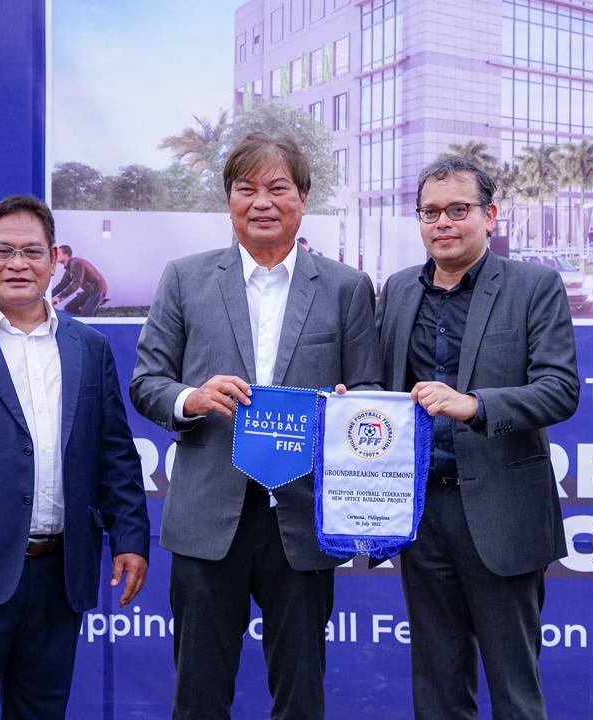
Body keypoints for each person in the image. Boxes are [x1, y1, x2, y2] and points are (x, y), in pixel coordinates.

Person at [130, 133, 382, 720]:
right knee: (198, 691)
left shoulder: (345, 287)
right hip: (206, 519)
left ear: (304, 197)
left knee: (300, 693)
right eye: (247, 189)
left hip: (301, 516)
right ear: (229, 200)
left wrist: (346, 409)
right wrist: (193, 397)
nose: (262, 202)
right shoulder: (185, 278)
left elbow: (369, 389)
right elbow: (147, 382)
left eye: (278, 188)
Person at [376, 156, 579, 719]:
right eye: (431, 212)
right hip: (419, 516)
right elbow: (380, 386)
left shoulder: (533, 286)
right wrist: (357, 400)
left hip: (502, 513)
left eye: (458, 210)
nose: (443, 222)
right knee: (437, 690)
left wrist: (476, 405)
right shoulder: (395, 291)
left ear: (490, 216)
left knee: (515, 693)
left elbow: (560, 390)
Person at [0, 195, 150, 719]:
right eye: (2, 251)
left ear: (55, 258)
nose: (17, 263)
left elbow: (115, 453)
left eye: (31, 251)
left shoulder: (88, 346)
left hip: (59, 577)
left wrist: (130, 538)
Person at [52, 244, 108, 315]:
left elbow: (76, 283)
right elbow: (62, 284)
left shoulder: (76, 263)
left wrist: (59, 298)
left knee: (86, 316)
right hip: (89, 292)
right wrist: (47, 295)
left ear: (66, 255)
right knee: (69, 308)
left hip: (98, 290)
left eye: (58, 253)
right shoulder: (69, 268)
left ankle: (95, 309)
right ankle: (91, 308)